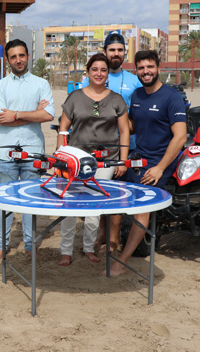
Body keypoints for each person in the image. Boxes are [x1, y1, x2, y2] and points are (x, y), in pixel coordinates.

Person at [108, 50, 186, 276]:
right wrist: (109, 120)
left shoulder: (172, 97)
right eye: (141, 68)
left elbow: (180, 137)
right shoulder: (138, 95)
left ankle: (123, 261)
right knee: (114, 190)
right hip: (138, 157)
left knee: (143, 205)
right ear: (137, 71)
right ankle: (113, 242)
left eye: (150, 67)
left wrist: (160, 168)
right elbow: (133, 126)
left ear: (158, 68)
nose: (146, 71)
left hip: (160, 162)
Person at [56, 53, 130, 266]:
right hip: (76, 161)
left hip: (106, 161)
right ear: (87, 72)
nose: (99, 73)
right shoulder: (74, 97)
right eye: (95, 69)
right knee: (70, 206)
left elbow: (124, 131)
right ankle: (66, 251)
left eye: (103, 70)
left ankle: (88, 248)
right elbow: (63, 129)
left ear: (108, 74)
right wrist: (60, 158)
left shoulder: (116, 99)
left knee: (94, 207)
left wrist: (122, 161)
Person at [0, 39, 54, 259]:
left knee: (31, 199)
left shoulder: (41, 84)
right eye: (13, 57)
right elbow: (2, 120)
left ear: (28, 56)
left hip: (33, 150)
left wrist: (16, 114)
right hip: (5, 151)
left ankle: (29, 243)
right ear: (7, 60)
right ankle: (2, 244)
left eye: (21, 55)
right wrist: (34, 113)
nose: (18, 60)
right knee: (5, 200)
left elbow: (48, 115)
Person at [84, 33, 141, 252]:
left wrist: (122, 125)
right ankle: (101, 233)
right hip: (97, 149)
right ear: (104, 51)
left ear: (125, 52)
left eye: (120, 50)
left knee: (118, 195)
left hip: (127, 147)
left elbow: (138, 116)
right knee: (99, 193)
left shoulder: (135, 81)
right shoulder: (92, 78)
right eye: (112, 50)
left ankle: (114, 238)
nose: (116, 54)